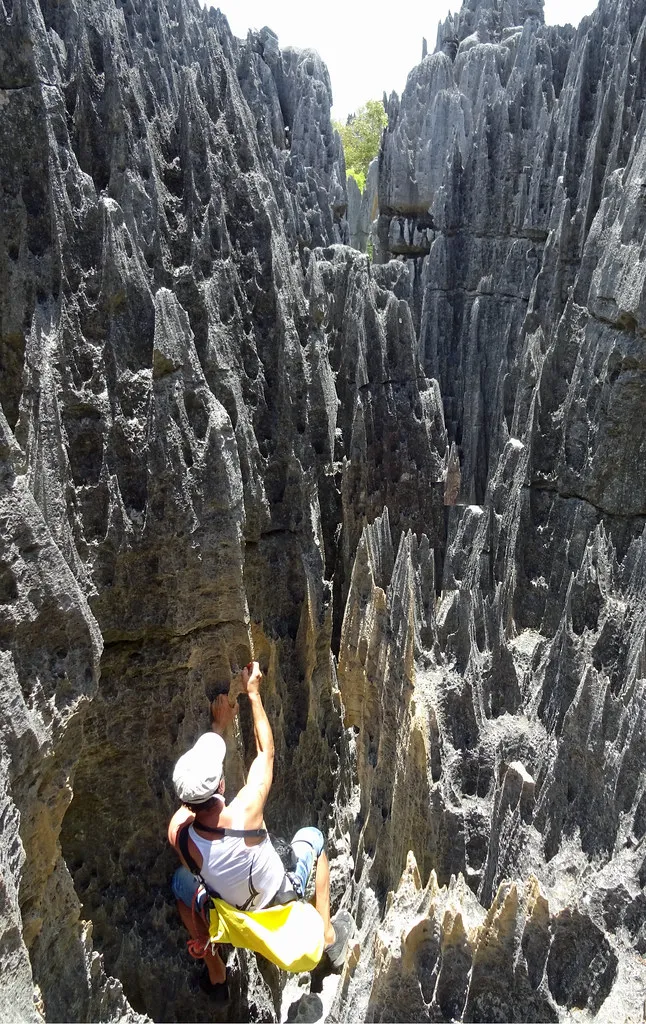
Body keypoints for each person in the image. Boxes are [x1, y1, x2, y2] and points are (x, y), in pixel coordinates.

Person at [168, 661, 351, 997]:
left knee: (180, 882)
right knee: (313, 838)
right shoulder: (247, 811)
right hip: (279, 899)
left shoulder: (179, 835)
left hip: (235, 917)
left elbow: (189, 805)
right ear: (222, 784)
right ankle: (327, 935)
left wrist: (213, 733)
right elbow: (267, 752)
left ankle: (215, 969)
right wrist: (252, 694)